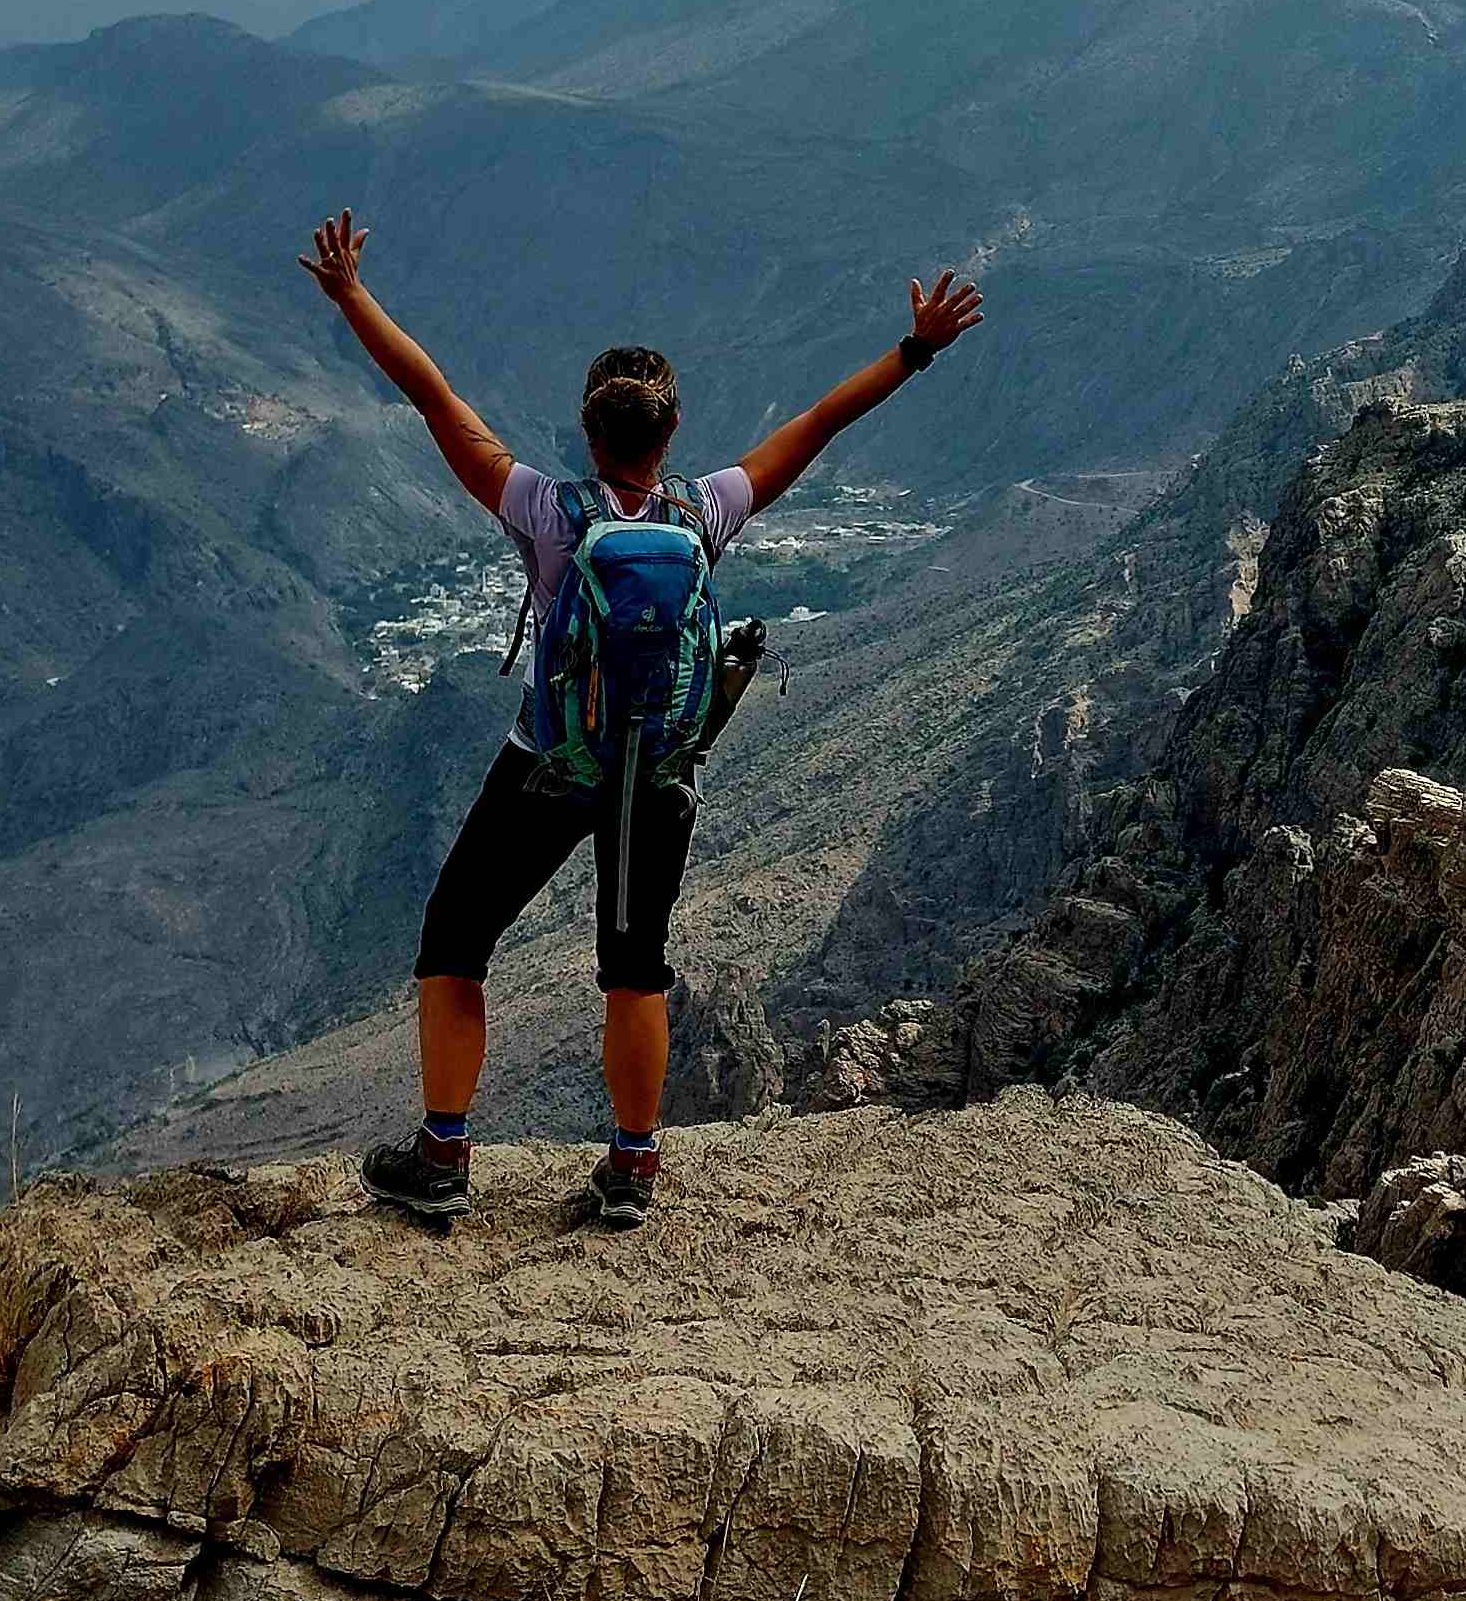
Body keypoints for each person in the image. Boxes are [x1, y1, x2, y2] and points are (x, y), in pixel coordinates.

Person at [298, 211, 983, 1230]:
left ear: (589, 433)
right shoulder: (706, 511)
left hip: (546, 766)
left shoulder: (545, 511)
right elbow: (821, 422)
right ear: (670, 436)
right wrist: (916, 350)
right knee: (634, 968)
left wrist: (353, 296)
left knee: (455, 940)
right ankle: (632, 1168)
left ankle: (441, 1156)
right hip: (656, 777)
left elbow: (431, 395)